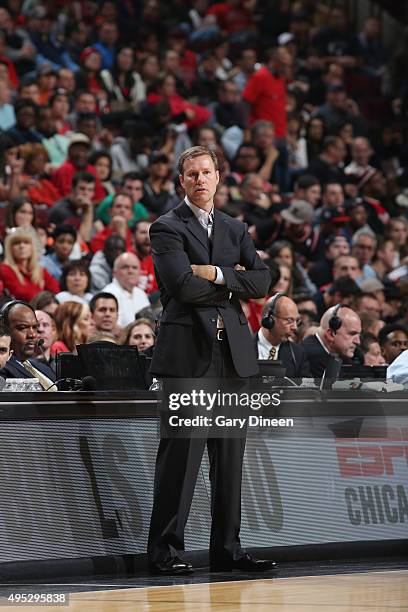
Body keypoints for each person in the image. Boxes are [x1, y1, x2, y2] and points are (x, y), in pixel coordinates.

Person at [147, 146, 273, 575]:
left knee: (230, 458)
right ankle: (165, 552)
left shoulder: (235, 228)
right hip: (189, 357)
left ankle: (227, 549)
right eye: (191, 174)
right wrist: (234, 282)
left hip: (233, 356)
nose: (200, 180)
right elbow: (182, 287)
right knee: (181, 459)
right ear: (181, 181)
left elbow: (263, 280)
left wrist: (217, 274)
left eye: (207, 172)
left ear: (219, 177)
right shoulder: (166, 227)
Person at [255, 293, 311, 378]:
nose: (295, 327)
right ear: (269, 319)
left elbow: (306, 388)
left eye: (297, 321)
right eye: (289, 320)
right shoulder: (242, 348)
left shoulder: (298, 354)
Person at [1, 301, 56, 386]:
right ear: (5, 328)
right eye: (22, 328)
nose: (33, 335)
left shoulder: (44, 368)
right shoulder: (2, 367)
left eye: (34, 327)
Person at [301, 304, 362, 378]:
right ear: (331, 334)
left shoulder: (341, 356)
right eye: (352, 334)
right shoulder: (311, 356)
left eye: (358, 335)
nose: (357, 341)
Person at [0, 229, 60, 302]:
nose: (21, 246)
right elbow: (25, 295)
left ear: (32, 247)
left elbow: (56, 292)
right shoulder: (4, 269)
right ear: (10, 248)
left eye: (26, 242)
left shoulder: (40, 270)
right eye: (16, 243)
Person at [102, 253, 150, 327]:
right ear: (114, 272)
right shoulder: (108, 294)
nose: (130, 271)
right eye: (125, 267)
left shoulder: (141, 293)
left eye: (135, 268)